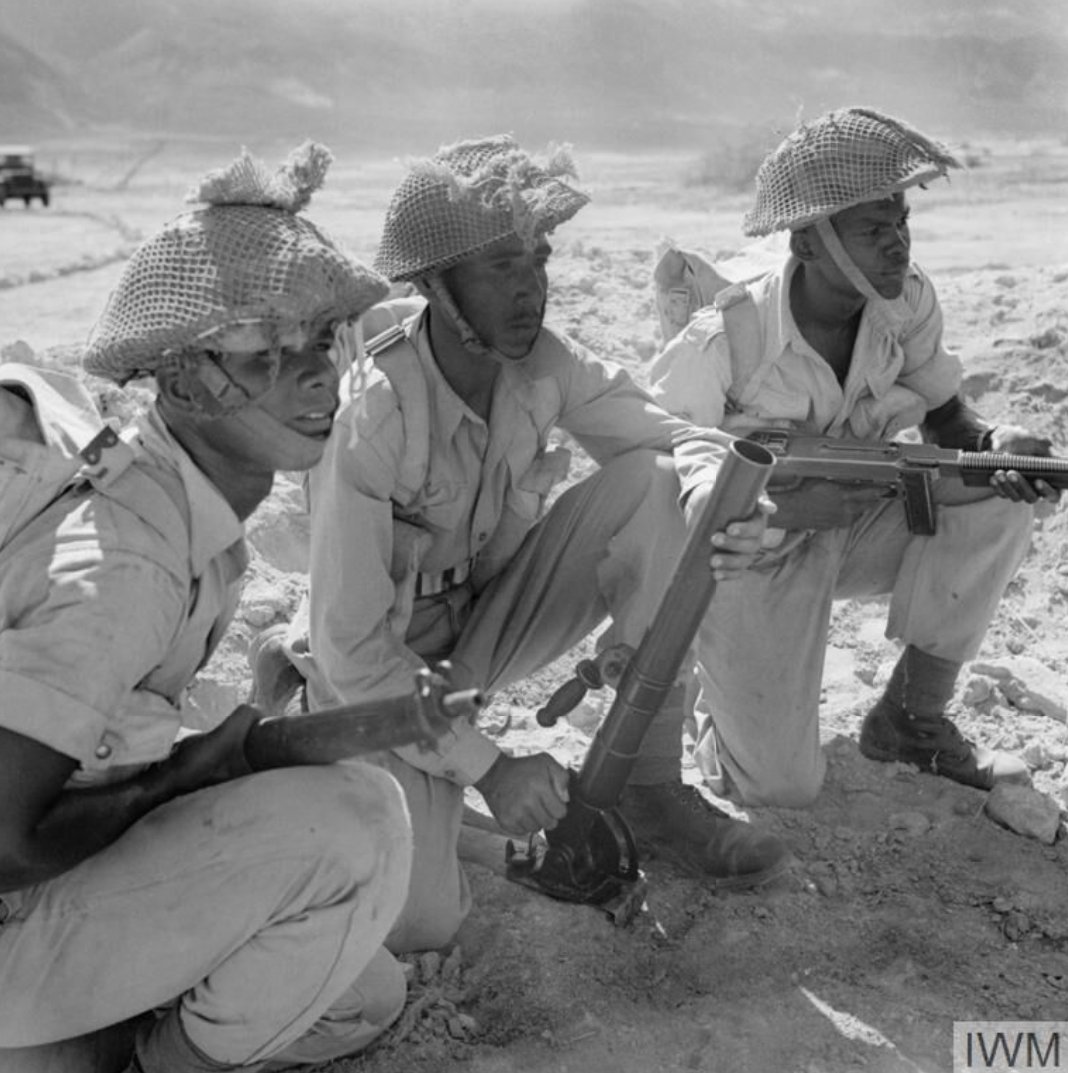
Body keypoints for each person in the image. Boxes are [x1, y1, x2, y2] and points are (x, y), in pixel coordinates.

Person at [266, 134, 792, 954]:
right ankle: (448, 819)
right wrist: (491, 768)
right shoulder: (372, 414)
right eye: (500, 267)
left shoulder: (543, 362)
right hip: (380, 674)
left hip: (484, 623)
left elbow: (670, 435)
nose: (530, 289)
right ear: (437, 286)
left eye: (536, 259)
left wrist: (716, 502)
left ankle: (649, 786)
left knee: (652, 483)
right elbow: (356, 655)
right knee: (418, 919)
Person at [0, 144, 415, 1073]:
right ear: (184, 382)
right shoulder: (131, 563)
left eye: (323, 343)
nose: (315, 378)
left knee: (361, 991)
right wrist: (177, 780)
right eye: (268, 351)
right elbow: (1, 837)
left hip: (42, 898)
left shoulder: (174, 494)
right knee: (358, 828)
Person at [648, 106, 1059, 808]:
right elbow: (653, 471)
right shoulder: (728, 337)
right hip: (751, 550)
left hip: (858, 520)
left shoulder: (906, 302)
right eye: (874, 229)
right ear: (809, 244)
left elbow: (946, 416)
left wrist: (992, 444)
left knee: (997, 491)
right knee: (779, 786)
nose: (898, 243)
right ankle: (713, 703)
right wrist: (777, 508)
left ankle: (912, 719)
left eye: (901, 220)